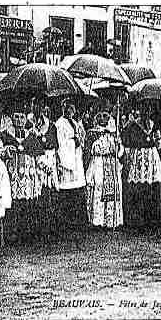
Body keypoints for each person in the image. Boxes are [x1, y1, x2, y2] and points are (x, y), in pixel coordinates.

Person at [2, 107, 44, 243]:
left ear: (26, 120)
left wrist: (44, 169)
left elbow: (38, 157)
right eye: (16, 117)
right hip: (12, 176)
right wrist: (6, 150)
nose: (19, 120)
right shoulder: (4, 135)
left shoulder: (31, 137)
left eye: (22, 117)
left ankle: (27, 233)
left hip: (28, 177)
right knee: (13, 204)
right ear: (11, 118)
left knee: (27, 204)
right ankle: (12, 234)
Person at [121, 100, 161, 228]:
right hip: (138, 156)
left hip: (151, 156)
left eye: (149, 110)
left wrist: (157, 139)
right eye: (144, 110)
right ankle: (137, 218)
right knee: (138, 186)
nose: (146, 113)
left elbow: (159, 145)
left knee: (151, 186)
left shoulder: (153, 125)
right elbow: (127, 141)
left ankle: (150, 217)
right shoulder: (133, 125)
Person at [27, 96, 59, 240]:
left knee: (48, 193)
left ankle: (48, 228)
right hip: (33, 163)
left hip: (47, 161)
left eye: (40, 105)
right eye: (35, 105)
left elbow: (54, 144)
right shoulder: (27, 123)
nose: (38, 108)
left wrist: (41, 139)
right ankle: (34, 229)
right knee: (34, 194)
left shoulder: (50, 125)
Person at [84, 111, 123, 229]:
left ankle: (111, 220)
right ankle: (97, 220)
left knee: (114, 187)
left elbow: (120, 152)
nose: (102, 118)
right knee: (98, 186)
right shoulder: (92, 133)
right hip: (98, 163)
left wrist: (118, 145)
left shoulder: (113, 133)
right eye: (100, 115)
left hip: (111, 164)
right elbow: (91, 150)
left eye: (105, 116)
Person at [55, 99, 87, 234]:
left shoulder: (75, 123)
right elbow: (60, 144)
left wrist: (79, 140)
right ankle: (67, 223)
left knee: (77, 189)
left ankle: (78, 222)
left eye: (71, 108)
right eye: (66, 108)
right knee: (67, 191)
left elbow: (81, 139)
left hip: (76, 159)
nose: (69, 111)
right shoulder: (59, 124)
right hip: (67, 161)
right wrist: (73, 142)